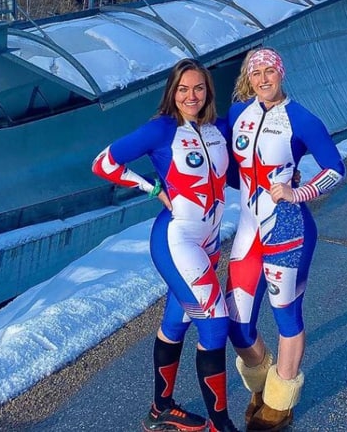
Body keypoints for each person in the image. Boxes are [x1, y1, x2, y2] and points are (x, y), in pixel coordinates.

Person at [91, 58, 239, 432]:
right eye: (183, 89)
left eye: (199, 88)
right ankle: (221, 426)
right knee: (215, 325)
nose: (191, 96)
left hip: (208, 241)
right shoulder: (161, 129)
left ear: (208, 91)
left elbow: (236, 170)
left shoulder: (217, 128)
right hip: (177, 240)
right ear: (172, 92)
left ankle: (161, 410)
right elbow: (104, 163)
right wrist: (153, 188)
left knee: (177, 321)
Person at [225, 48, 346, 431]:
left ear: (281, 74)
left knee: (286, 316)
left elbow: (335, 168)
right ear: (249, 78)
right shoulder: (237, 114)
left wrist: (298, 192)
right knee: (236, 323)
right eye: (256, 72)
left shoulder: (302, 118)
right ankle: (263, 386)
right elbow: (227, 166)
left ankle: (280, 402)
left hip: (288, 230)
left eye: (269, 71)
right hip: (248, 230)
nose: (263, 79)